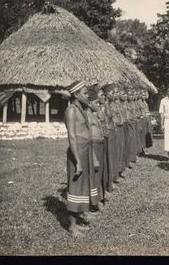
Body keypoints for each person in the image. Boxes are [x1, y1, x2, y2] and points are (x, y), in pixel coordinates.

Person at [64, 81, 98, 237]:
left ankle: (78, 218)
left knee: (83, 186)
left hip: (85, 151)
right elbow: (72, 137)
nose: (88, 95)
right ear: (76, 95)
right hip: (76, 153)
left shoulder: (82, 110)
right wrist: (77, 161)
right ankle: (71, 226)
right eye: (85, 93)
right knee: (75, 187)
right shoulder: (71, 110)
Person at [86, 85, 106, 206]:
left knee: (99, 173)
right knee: (95, 174)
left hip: (99, 144)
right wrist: (93, 156)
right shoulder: (87, 117)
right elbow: (88, 138)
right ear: (89, 103)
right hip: (94, 146)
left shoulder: (94, 115)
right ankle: (93, 201)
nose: (98, 105)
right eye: (96, 103)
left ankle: (99, 197)